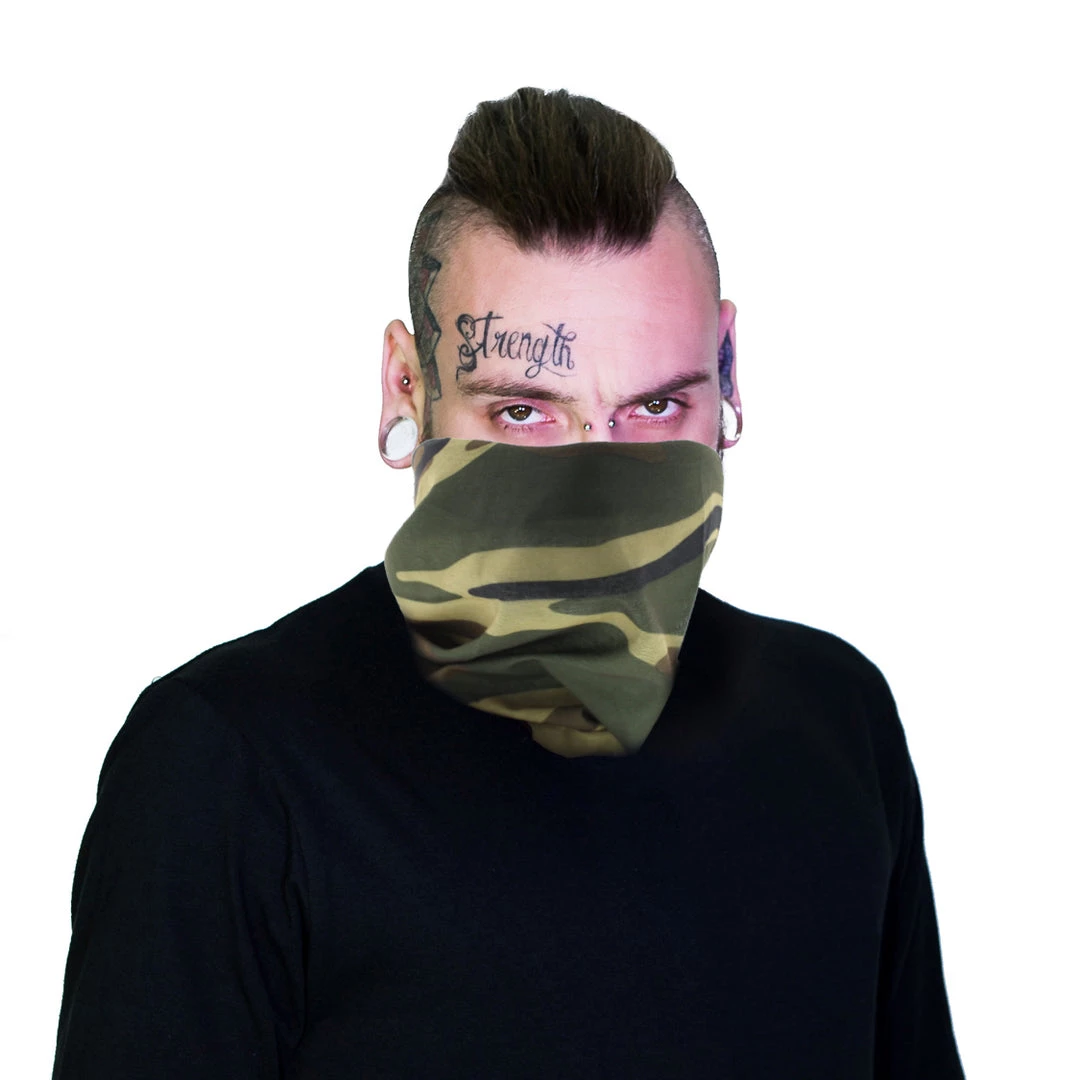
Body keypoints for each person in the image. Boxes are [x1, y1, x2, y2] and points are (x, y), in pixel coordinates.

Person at [52, 87, 965, 1078]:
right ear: (408, 387)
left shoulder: (833, 716)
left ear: (729, 370)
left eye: (655, 406)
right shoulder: (228, 766)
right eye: (524, 413)